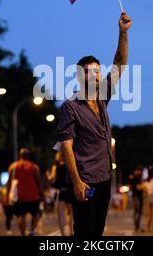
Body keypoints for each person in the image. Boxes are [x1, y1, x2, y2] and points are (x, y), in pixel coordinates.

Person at [57, 12, 131, 238]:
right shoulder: (70, 107)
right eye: (91, 72)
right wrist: (77, 182)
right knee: (84, 231)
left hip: (104, 177)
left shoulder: (102, 99)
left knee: (97, 231)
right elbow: (66, 147)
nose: (98, 76)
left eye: (99, 72)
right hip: (85, 179)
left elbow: (119, 63)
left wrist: (123, 32)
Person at [7, 148, 43, 236]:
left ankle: (23, 233)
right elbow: (38, 181)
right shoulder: (34, 167)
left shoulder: (13, 166)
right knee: (37, 213)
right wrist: (42, 194)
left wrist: (8, 196)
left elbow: (9, 182)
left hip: (19, 196)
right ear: (28, 156)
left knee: (20, 215)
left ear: (20, 155)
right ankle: (32, 231)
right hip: (33, 195)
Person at [46, 151, 73, 236]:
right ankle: (72, 231)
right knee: (71, 213)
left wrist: (47, 175)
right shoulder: (71, 164)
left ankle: (63, 233)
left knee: (61, 214)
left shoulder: (56, 166)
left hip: (62, 191)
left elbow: (51, 180)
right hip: (70, 191)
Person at [128, 166, 144, 233]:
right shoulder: (134, 178)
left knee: (139, 212)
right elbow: (136, 187)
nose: (140, 172)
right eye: (139, 171)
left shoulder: (139, 177)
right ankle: (136, 226)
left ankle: (138, 226)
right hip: (136, 196)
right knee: (137, 211)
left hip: (139, 196)